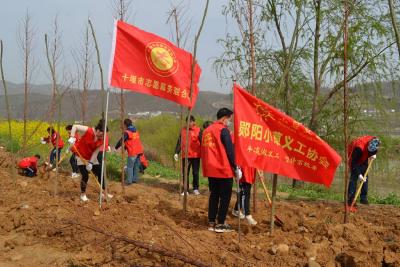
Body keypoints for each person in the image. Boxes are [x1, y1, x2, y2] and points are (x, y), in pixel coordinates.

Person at [201, 108, 242, 233]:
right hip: (223, 169)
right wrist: (236, 167)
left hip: (211, 169)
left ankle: (211, 221)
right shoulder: (223, 130)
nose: (229, 121)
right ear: (224, 118)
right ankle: (221, 223)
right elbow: (230, 150)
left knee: (214, 195)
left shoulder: (206, 131)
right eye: (229, 119)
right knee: (225, 197)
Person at [68, 119, 113, 202]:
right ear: (98, 130)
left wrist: (91, 163)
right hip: (81, 155)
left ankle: (103, 193)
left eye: (103, 136)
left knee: (100, 173)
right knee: (85, 175)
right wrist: (72, 137)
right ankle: (83, 194)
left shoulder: (101, 140)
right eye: (101, 135)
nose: (102, 137)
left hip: (91, 156)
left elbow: (95, 152)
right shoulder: (89, 130)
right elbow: (75, 126)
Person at [347, 136, 380, 208]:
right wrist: (359, 175)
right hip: (354, 157)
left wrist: (373, 155)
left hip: (364, 154)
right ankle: (350, 199)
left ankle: (363, 198)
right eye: (370, 152)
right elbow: (353, 164)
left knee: (365, 175)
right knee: (354, 177)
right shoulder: (359, 149)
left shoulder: (375, 141)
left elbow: (374, 150)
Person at [174, 115, 202, 195]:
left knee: (195, 172)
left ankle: (195, 188)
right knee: (185, 172)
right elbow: (179, 142)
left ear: (194, 122)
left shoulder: (199, 130)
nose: (189, 123)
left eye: (190, 121)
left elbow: (202, 142)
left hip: (195, 155)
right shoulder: (183, 130)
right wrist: (176, 152)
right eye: (187, 122)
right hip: (185, 156)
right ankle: (185, 189)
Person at [115, 119, 144, 185]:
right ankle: (135, 179)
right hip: (139, 151)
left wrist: (116, 147)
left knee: (129, 167)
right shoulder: (135, 131)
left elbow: (121, 140)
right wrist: (125, 148)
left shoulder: (127, 132)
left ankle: (128, 181)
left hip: (133, 152)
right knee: (136, 166)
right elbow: (132, 142)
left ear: (125, 125)